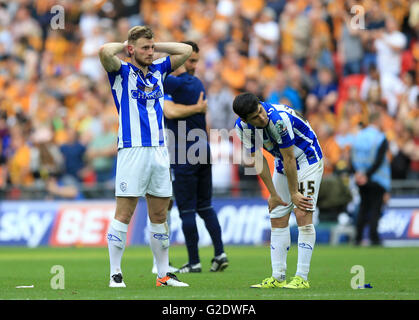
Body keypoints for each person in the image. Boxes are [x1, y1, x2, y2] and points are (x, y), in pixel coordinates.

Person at [99, 25, 192, 288]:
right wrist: (127, 44)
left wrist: (155, 47)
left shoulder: (159, 71)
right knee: (124, 214)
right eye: (145, 48)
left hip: (159, 151)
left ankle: (163, 274)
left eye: (152, 47)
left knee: (160, 215)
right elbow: (104, 51)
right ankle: (115, 273)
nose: (150, 52)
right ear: (131, 50)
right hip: (132, 149)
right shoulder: (121, 72)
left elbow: (185, 50)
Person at [233, 92, 324, 289]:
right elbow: (258, 159)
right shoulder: (242, 128)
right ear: (244, 119)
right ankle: (278, 277)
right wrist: (273, 194)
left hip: (307, 159)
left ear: (260, 104)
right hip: (284, 163)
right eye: (255, 117)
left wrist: (293, 193)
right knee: (277, 214)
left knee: (302, 212)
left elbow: (290, 157)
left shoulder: (278, 119)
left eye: (260, 111)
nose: (261, 117)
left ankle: (301, 277)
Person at [163, 41, 228, 274]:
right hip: (203, 148)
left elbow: (168, 111)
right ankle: (219, 254)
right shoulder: (197, 82)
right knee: (206, 206)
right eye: (190, 60)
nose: (193, 65)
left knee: (187, 210)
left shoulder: (171, 82)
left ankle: (194, 262)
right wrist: (198, 109)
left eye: (194, 60)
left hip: (183, 151)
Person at [351, 112, 391, 246]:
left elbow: (352, 157)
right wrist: (367, 175)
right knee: (375, 209)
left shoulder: (358, 136)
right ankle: (374, 238)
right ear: (378, 121)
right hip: (377, 178)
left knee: (363, 207)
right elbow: (379, 161)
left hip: (360, 178)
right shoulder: (380, 138)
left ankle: (358, 238)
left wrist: (358, 174)